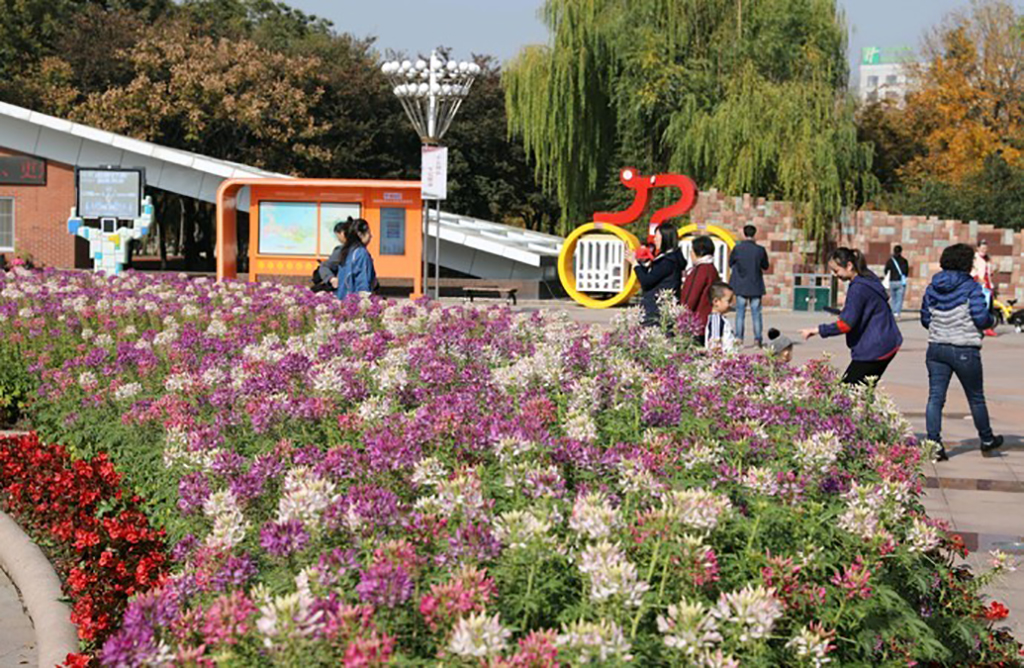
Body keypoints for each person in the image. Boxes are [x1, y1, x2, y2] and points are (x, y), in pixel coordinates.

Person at [921, 243, 1003, 461]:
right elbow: (980, 318)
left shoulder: (932, 288)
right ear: (967, 263)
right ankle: (986, 439)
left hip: (936, 348)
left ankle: (934, 445)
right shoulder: (972, 288)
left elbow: (925, 319)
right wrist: (992, 320)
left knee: (935, 398)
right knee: (976, 398)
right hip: (965, 348)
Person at [800, 247, 903, 385]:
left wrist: (817, 330)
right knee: (861, 392)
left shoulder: (858, 288)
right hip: (886, 343)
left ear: (849, 265)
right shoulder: (868, 278)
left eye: (836, 270)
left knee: (847, 395)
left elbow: (846, 324)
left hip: (874, 349)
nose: (835, 275)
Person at [626, 222, 687, 327]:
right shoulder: (671, 258)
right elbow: (653, 275)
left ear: (665, 239)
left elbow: (647, 281)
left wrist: (634, 263)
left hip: (656, 310)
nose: (654, 240)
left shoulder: (668, 261)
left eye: (657, 237)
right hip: (660, 308)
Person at [729, 225, 770, 347]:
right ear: (755, 234)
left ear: (744, 234)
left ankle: (739, 338)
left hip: (741, 285)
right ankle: (757, 340)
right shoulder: (760, 250)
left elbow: (731, 263)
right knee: (756, 314)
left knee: (740, 313)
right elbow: (765, 266)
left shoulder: (737, 249)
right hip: (756, 285)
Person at [680, 235, 721, 346]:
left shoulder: (701, 270)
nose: (690, 254)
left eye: (691, 251)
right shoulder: (711, 269)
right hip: (706, 321)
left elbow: (692, 296)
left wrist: (681, 316)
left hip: (698, 322)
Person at [335, 218, 377, 300]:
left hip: (342, 299)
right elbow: (363, 282)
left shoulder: (346, 251)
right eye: (368, 232)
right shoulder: (361, 253)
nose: (371, 236)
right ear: (360, 234)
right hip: (354, 304)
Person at [315, 220, 351, 292]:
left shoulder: (342, 251)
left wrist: (331, 278)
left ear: (342, 233)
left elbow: (325, 266)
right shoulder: (361, 250)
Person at [972, 241, 998, 337]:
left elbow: (988, 272)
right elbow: (972, 270)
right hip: (979, 285)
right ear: (977, 248)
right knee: (980, 306)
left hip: (988, 285)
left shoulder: (987, 259)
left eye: (985, 249)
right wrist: (977, 278)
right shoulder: (974, 258)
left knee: (989, 307)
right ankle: (979, 327)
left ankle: (988, 327)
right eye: (982, 248)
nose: (984, 250)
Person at [705, 282, 736, 351]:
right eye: (728, 301)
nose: (730, 304)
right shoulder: (716, 320)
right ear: (716, 302)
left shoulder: (720, 319)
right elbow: (715, 342)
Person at [884, 245, 909, 319]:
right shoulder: (904, 261)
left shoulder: (890, 261)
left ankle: (892, 312)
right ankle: (897, 313)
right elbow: (906, 271)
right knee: (899, 298)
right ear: (901, 251)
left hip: (892, 281)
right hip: (901, 282)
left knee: (893, 298)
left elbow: (886, 270)